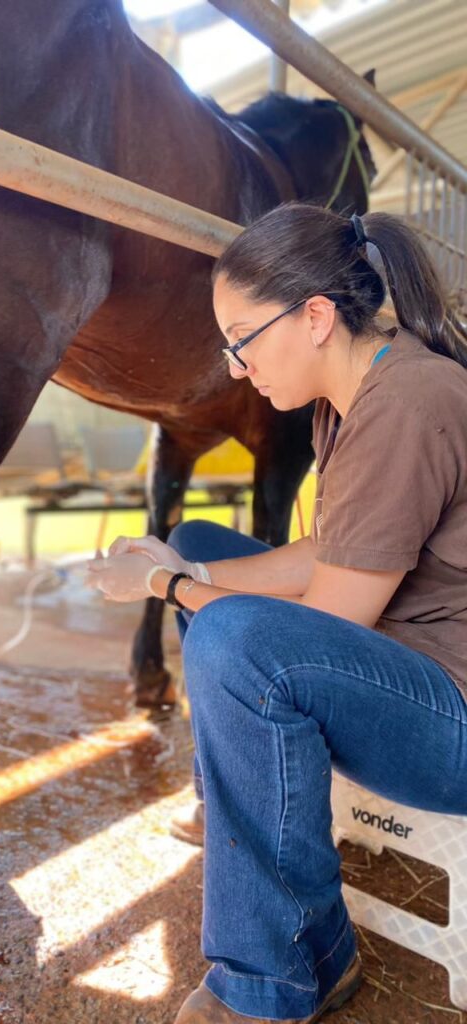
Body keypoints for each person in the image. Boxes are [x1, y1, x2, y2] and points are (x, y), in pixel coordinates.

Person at [85, 202, 467, 1024]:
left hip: (454, 718)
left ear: (317, 317)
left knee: (236, 635)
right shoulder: (355, 392)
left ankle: (270, 980)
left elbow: (331, 619)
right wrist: (185, 564)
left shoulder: (408, 401)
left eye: (243, 338)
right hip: (412, 671)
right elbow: (335, 550)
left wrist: (164, 589)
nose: (233, 367)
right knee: (193, 540)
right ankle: (291, 897)